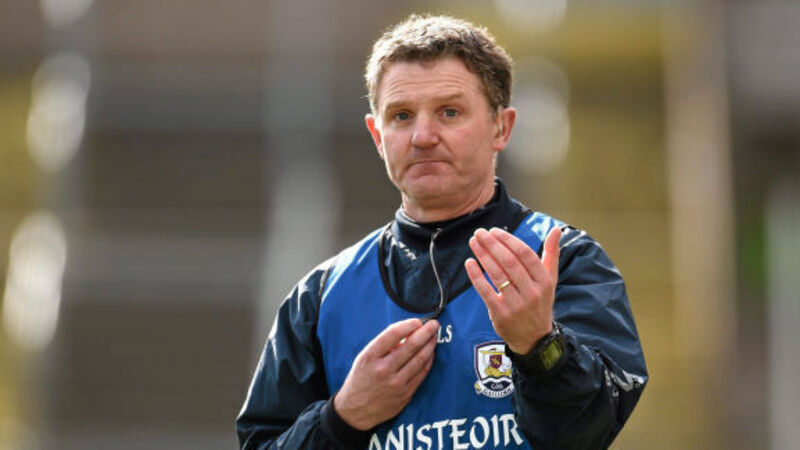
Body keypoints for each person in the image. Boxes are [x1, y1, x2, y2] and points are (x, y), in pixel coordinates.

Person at [237, 14, 647, 450]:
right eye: (401, 116)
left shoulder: (565, 260)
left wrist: (540, 347)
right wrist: (343, 417)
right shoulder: (319, 298)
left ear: (501, 127)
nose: (423, 136)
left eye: (449, 112)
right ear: (377, 136)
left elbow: (589, 433)